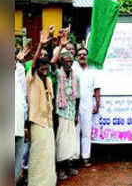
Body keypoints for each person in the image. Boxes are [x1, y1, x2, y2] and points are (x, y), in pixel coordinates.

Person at [26, 30, 57, 186]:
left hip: (49, 123)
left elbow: (52, 63)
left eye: (46, 67)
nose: (44, 69)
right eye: (41, 67)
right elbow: (35, 61)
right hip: (37, 122)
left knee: (49, 154)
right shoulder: (31, 78)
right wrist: (41, 44)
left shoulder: (49, 81)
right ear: (36, 67)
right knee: (38, 155)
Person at [51, 46, 80, 180]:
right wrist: (61, 46)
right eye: (66, 61)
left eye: (70, 61)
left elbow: (77, 97)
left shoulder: (75, 76)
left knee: (70, 141)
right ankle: (60, 169)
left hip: (71, 112)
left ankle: (68, 166)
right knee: (61, 141)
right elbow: (52, 63)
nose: (68, 63)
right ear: (62, 62)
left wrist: (75, 115)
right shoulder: (58, 73)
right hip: (61, 113)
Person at [74, 47, 101, 167]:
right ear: (76, 57)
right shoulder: (73, 68)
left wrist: (97, 104)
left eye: (84, 54)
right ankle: (74, 157)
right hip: (74, 105)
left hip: (87, 104)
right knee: (75, 131)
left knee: (86, 132)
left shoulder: (93, 70)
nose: (82, 56)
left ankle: (86, 157)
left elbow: (97, 88)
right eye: (79, 54)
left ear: (87, 56)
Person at [15, 59, 27, 186]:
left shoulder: (18, 79)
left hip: (19, 125)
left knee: (18, 160)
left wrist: (24, 123)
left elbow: (23, 102)